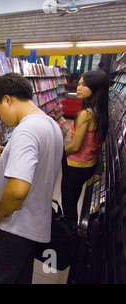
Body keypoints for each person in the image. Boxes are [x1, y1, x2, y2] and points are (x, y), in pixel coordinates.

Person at [0, 73, 63, 284]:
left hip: (12, 229)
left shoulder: (26, 131)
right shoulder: (49, 124)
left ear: (7, 99)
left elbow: (17, 191)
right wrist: (10, 153)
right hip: (33, 228)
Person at [61, 70, 109, 226]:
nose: (78, 88)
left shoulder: (85, 114)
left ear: (95, 88)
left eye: (84, 85)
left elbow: (75, 147)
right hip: (89, 164)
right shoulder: (99, 111)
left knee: (68, 203)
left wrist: (58, 153)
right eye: (79, 84)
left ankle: (70, 233)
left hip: (76, 166)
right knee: (73, 198)